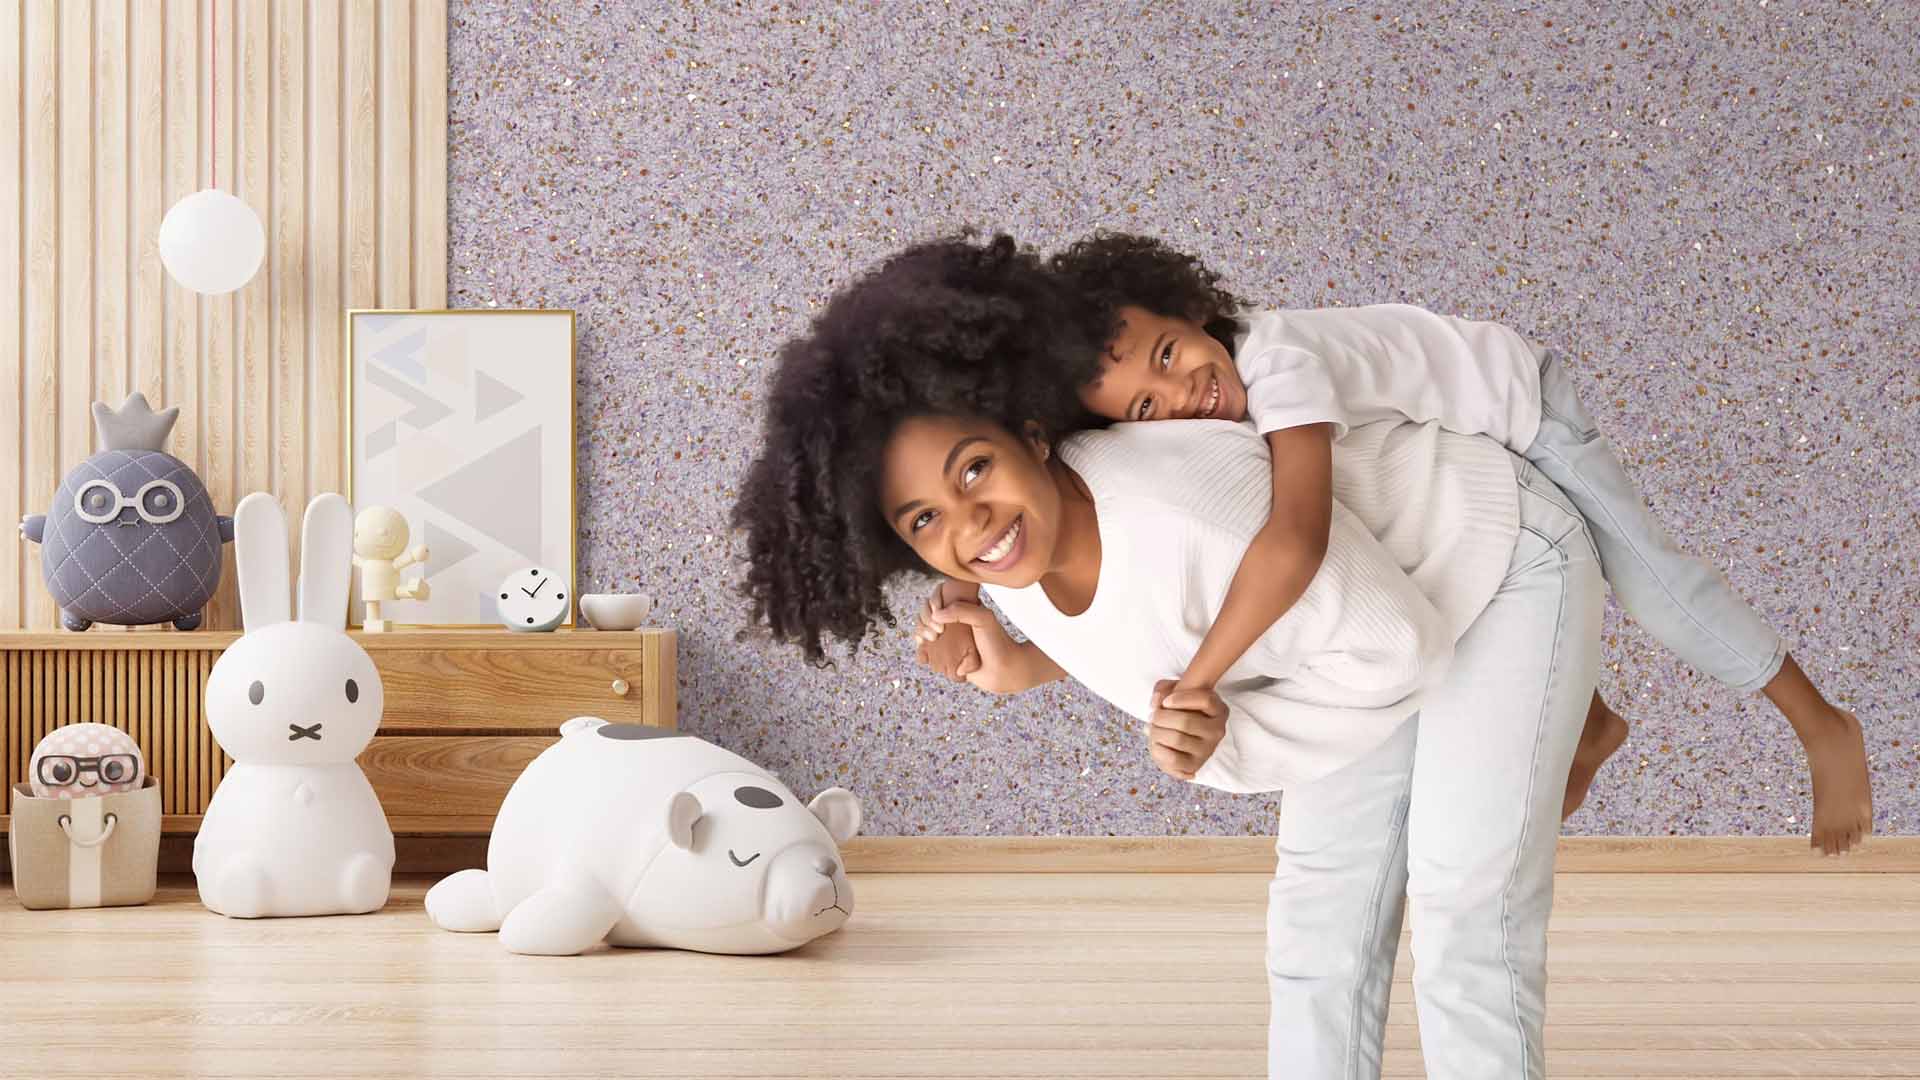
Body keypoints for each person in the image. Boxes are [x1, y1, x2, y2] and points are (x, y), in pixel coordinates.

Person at [733, 232, 1603, 1076]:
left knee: (1463, 903)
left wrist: (1223, 729)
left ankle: (1576, 728)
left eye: (973, 471)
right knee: (1319, 919)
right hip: (1362, 607)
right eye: (923, 519)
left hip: (1500, 555)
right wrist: (1017, 665)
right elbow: (1147, 614)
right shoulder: (1010, 561)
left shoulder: (1186, 509)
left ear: (1034, 435)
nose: (972, 524)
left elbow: (1399, 648)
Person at [918, 231, 1871, 852]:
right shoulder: (1181, 443)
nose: (1183, 396)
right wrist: (966, 596)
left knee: (1651, 584)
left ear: (1193, 310)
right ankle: (1591, 722)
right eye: (1146, 407)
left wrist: (1203, 676)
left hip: (1519, 410)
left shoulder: (1277, 358)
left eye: (1172, 356)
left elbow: (1296, 538)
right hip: (1437, 458)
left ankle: (1817, 720)